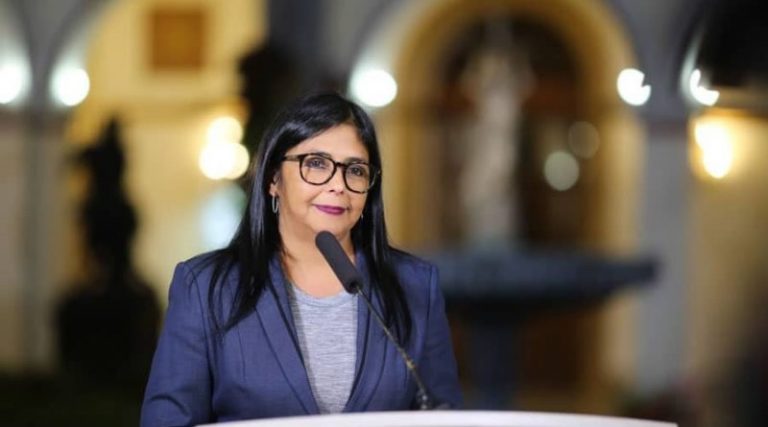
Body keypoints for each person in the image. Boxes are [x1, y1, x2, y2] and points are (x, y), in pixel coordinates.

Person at [141, 92, 462, 426]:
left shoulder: (415, 285)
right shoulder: (206, 288)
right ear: (273, 179)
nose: (338, 185)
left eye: (355, 170)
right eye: (317, 163)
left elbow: (443, 416)